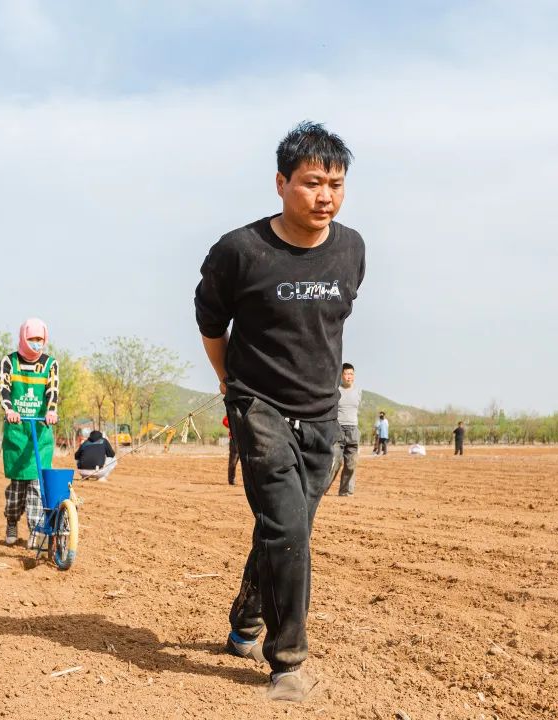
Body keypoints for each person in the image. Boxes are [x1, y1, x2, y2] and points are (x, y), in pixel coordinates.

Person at [195, 121, 364, 702]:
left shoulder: (352, 250)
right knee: (288, 527)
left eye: (336, 184)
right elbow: (212, 325)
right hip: (258, 405)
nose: (326, 196)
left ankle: (246, 616)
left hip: (321, 415)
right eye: (313, 182)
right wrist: (229, 385)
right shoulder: (239, 252)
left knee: (285, 528)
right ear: (280, 182)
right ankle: (287, 661)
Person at [0, 318, 59, 548]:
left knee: (36, 487)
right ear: (24, 338)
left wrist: (51, 411)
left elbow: (52, 391)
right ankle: (12, 521)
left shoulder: (49, 364)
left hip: (40, 434)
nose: (37, 344)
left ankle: (36, 532)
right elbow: (4, 389)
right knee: (16, 491)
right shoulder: (9, 361)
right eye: (32, 339)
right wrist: (10, 409)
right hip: (17, 433)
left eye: (40, 340)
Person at [327, 363, 361, 496]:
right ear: (341, 375)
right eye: (346, 374)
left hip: (353, 430)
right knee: (335, 462)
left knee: (351, 463)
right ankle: (321, 489)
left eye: (351, 374)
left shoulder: (359, 391)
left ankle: (346, 491)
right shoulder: (336, 391)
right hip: (338, 429)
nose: (349, 377)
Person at [223, 415, 240, 485]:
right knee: (233, 461)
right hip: (234, 439)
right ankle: (231, 480)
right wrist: (232, 425)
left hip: (245, 439)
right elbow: (224, 421)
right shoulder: (232, 411)